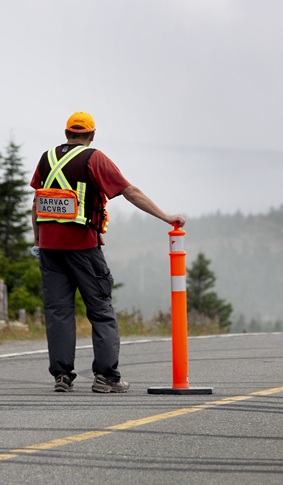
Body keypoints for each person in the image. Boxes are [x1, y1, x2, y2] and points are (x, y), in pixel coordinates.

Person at [30, 111, 185, 393]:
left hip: (50, 249)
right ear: (91, 135)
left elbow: (36, 202)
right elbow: (130, 192)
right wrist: (165, 216)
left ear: (66, 133)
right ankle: (106, 378)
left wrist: (38, 241)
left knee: (58, 312)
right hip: (83, 248)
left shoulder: (46, 158)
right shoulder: (94, 158)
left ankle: (62, 376)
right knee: (101, 310)